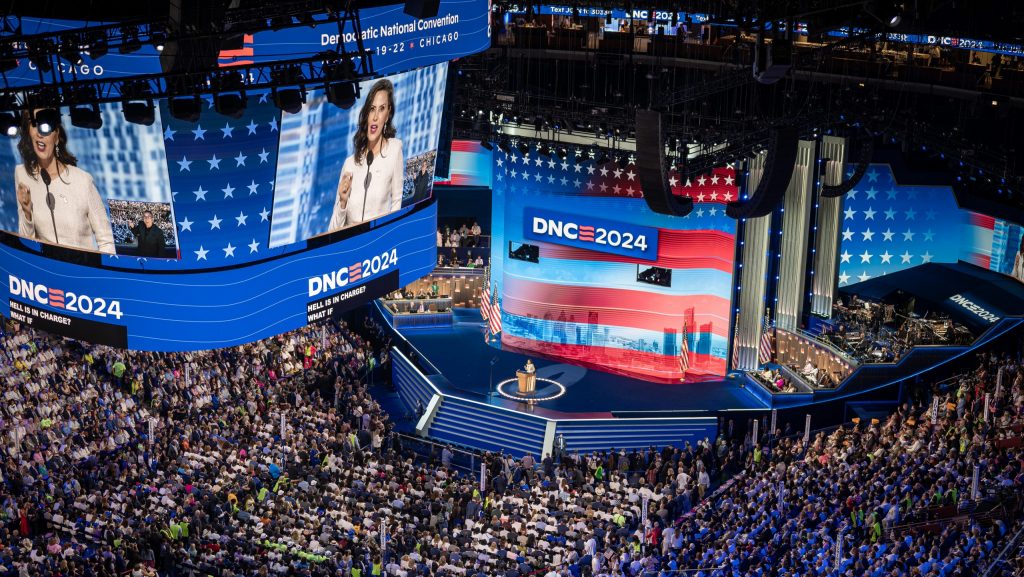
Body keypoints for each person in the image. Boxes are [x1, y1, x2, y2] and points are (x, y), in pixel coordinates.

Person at [15, 109, 115, 254]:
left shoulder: (82, 180)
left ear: (57, 137)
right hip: (47, 272)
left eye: (45, 125)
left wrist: (97, 274)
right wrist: (26, 212)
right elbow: (27, 246)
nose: (39, 132)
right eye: (33, 123)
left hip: (83, 271)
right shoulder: (22, 175)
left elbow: (106, 241)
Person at [329, 79, 404, 230]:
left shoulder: (394, 149)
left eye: (381, 109)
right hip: (350, 244)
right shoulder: (350, 163)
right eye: (372, 109)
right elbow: (333, 229)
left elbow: (397, 203)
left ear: (388, 113)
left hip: (379, 242)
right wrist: (343, 202)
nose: (375, 116)